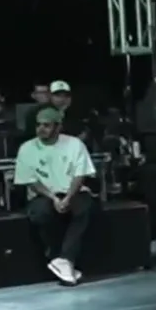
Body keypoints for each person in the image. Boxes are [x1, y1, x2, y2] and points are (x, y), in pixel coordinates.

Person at [13, 106, 97, 285]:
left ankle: (64, 259)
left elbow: (80, 175)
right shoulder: (27, 148)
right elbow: (31, 181)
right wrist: (54, 198)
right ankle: (61, 258)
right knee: (42, 212)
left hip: (72, 192)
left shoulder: (74, 144)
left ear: (58, 127)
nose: (41, 129)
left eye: (46, 125)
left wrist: (68, 198)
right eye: (38, 125)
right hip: (44, 195)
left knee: (84, 207)